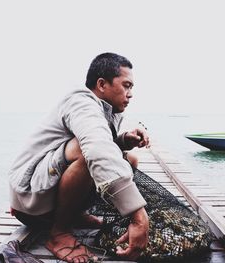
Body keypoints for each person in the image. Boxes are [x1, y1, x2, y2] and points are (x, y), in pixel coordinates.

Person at [8, 52, 150, 263]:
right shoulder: (81, 102)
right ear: (102, 84)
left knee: (130, 160)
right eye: (126, 85)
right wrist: (138, 217)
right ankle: (59, 233)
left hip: (46, 193)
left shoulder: (108, 111)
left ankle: (73, 214)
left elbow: (103, 143)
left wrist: (122, 140)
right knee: (87, 152)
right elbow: (96, 148)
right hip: (30, 201)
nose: (130, 94)